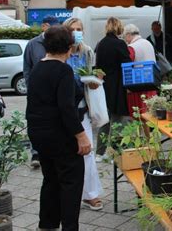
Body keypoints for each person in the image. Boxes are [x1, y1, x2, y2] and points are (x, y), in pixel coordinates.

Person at [26, 25, 91, 230]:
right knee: (71, 183)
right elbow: (66, 107)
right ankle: (69, 226)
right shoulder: (63, 70)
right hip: (60, 135)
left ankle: (47, 224)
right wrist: (81, 136)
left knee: (50, 180)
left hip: (39, 134)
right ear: (69, 47)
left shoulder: (37, 68)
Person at [62, 17, 105, 211]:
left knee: (87, 151)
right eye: (73, 29)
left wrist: (95, 80)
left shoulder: (87, 51)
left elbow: (92, 75)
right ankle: (67, 194)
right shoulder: (60, 51)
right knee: (65, 153)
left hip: (81, 107)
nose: (76, 32)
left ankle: (91, 194)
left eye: (79, 29)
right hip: (62, 108)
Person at [23, 15, 60, 168]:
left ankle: (52, 150)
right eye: (53, 26)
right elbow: (27, 68)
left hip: (54, 91)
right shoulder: (32, 44)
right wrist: (31, 88)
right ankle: (35, 153)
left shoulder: (57, 41)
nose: (56, 29)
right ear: (44, 26)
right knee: (35, 121)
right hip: (36, 93)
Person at [95, 17, 132, 161]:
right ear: (118, 27)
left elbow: (98, 65)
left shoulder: (101, 43)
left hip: (104, 84)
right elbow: (127, 64)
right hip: (117, 84)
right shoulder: (120, 43)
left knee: (105, 119)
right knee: (117, 119)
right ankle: (115, 152)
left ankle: (99, 152)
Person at [123, 23, 157, 118]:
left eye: (125, 37)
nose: (125, 40)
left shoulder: (132, 47)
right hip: (151, 82)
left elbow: (129, 64)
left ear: (129, 35)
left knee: (140, 115)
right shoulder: (148, 42)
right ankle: (149, 133)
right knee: (151, 115)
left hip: (138, 86)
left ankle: (141, 132)